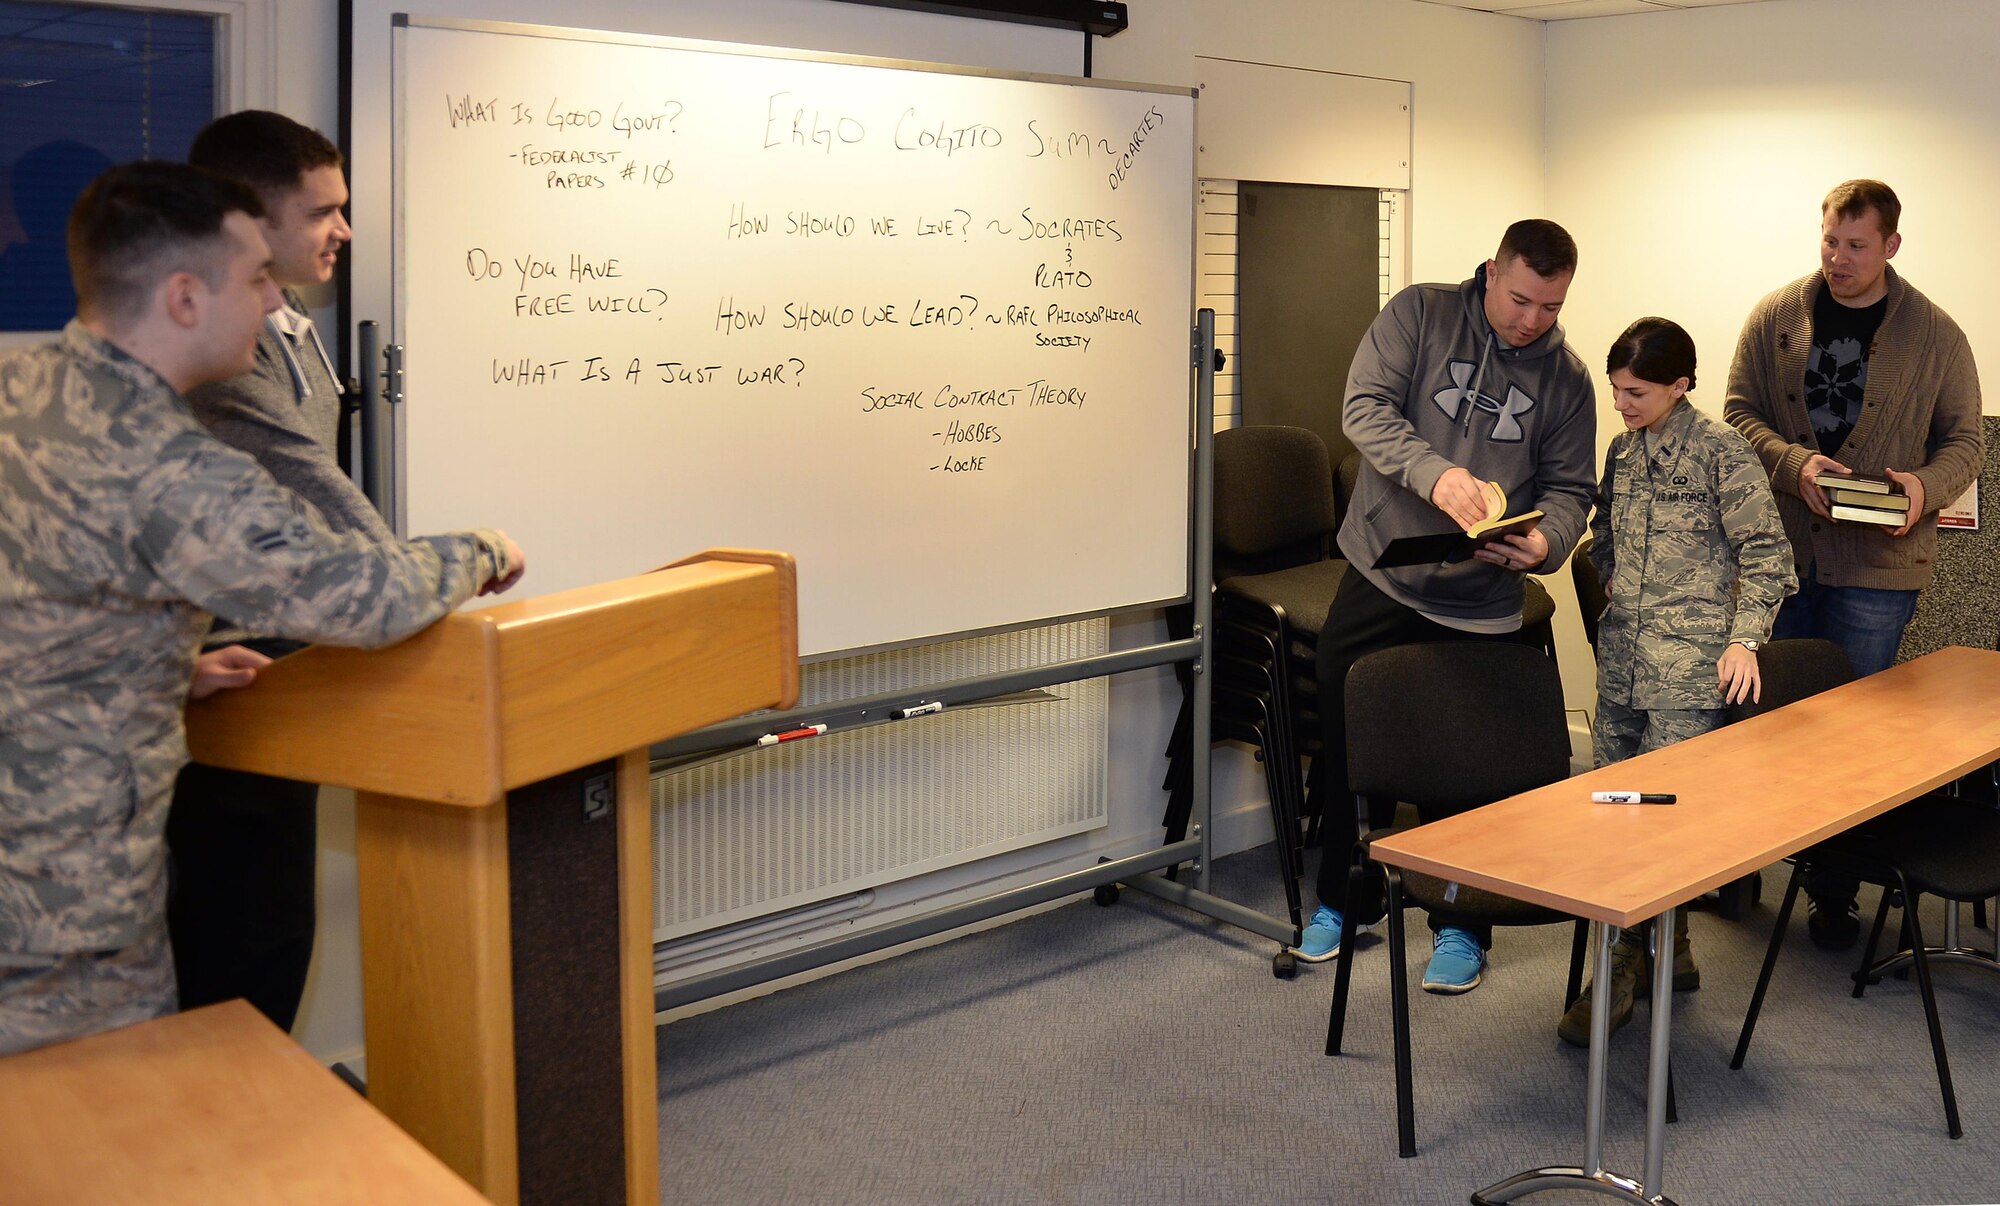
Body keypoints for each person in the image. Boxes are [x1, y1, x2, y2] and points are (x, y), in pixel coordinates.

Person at [0, 161, 525, 1057]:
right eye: (255, 279)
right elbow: (362, 597)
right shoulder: (165, 462)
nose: (272, 302)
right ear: (184, 298)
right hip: (58, 903)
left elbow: (44, 594)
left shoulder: (24, 390)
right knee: (86, 1134)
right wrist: (483, 549)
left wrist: (161, 667)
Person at [1297, 219, 1597, 995]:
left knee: (1464, 766)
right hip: (1385, 567)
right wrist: (1434, 476)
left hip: (1480, 597)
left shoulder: (1567, 380)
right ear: (1491, 271)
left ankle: (1462, 921)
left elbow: (1572, 491)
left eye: (1551, 307)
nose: (1532, 320)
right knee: (1349, 740)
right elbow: (1364, 408)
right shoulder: (1420, 313)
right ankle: (1343, 901)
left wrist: (1548, 545)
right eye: (1522, 299)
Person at [165, 111, 384, 1032]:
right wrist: (428, 579)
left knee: (276, 935)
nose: (342, 229)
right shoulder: (223, 358)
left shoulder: (291, 325)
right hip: (230, 687)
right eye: (323, 211)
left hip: (284, 667)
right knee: (238, 949)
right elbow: (316, 487)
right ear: (251, 217)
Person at [1724, 179, 1984, 949]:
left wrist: (1922, 488)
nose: (1839, 259)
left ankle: (1832, 888)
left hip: (1878, 567)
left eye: (1857, 246)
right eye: (1830, 242)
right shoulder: (1777, 315)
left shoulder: (1937, 335)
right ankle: (1740, 863)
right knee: (1762, 718)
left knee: (1849, 734)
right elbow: (1739, 413)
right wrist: (1795, 463)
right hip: (1783, 558)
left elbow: (1965, 443)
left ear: (1891, 247)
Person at [1555, 318, 1795, 1046]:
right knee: (1611, 815)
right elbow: (1604, 539)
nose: (1622, 404)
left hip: (1690, 675)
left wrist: (1745, 639)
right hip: (1623, 664)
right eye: (1616, 390)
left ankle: (1622, 969)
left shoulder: (1724, 452)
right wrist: (1611, 596)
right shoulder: (1622, 453)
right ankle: (1676, 944)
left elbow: (1767, 555)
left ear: (1680, 386)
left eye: (1637, 392)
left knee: (1660, 828)